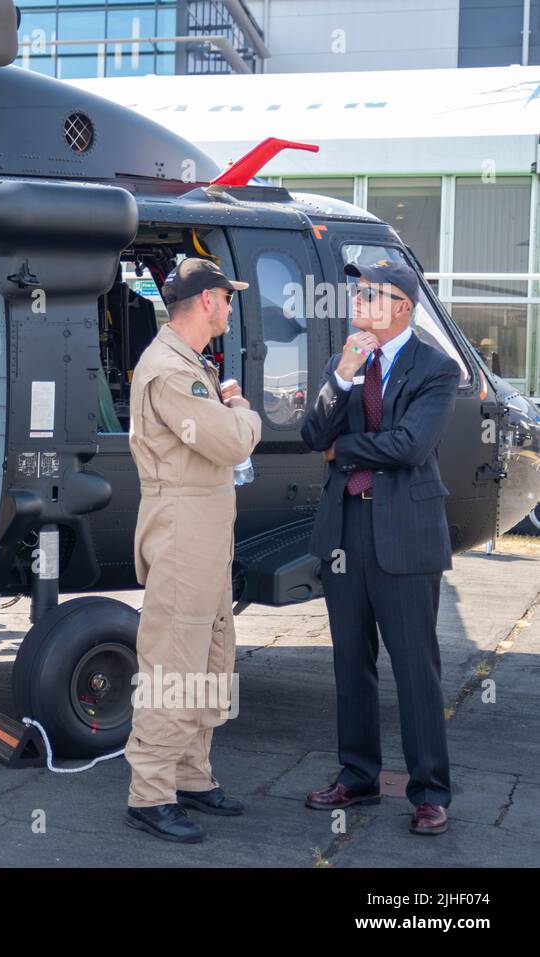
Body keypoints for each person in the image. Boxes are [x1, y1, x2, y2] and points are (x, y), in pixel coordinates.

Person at [300, 258, 460, 836]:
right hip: (345, 530)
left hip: (405, 534)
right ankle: (358, 775)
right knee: (351, 661)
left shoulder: (437, 369)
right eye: (358, 291)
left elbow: (410, 445)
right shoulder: (348, 362)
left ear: (403, 307)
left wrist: (342, 451)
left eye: (372, 293)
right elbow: (310, 434)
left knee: (416, 668)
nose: (359, 300)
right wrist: (340, 377)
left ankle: (429, 791)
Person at [124, 258, 261, 843]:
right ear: (207, 301)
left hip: (203, 531)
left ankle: (190, 774)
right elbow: (232, 442)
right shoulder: (169, 372)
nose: (230, 307)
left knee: (209, 655)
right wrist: (241, 408)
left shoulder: (190, 365)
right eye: (227, 298)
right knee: (173, 663)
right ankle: (149, 794)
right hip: (182, 530)